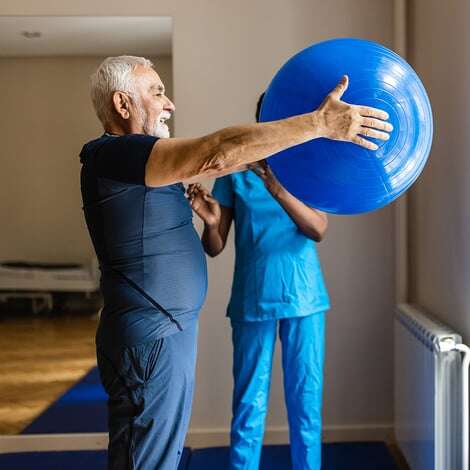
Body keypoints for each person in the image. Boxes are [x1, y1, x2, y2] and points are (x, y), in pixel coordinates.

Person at [79, 55, 392, 470]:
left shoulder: (142, 161)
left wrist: (311, 140)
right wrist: (319, 123)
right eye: (157, 92)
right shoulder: (117, 154)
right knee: (150, 452)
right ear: (123, 105)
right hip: (152, 333)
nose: (169, 103)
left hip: (170, 329)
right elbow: (219, 153)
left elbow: (244, 162)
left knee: (161, 451)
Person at [187, 93, 330, 470]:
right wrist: (212, 222)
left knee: (306, 404)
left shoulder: (305, 165)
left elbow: (317, 228)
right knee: (249, 405)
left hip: (305, 299)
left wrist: (276, 187)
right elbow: (215, 247)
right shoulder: (235, 171)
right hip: (252, 299)